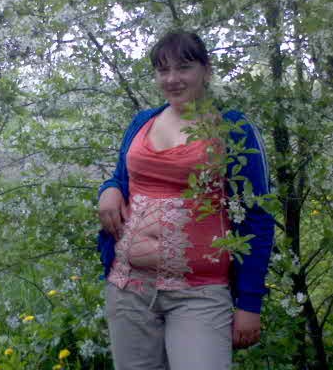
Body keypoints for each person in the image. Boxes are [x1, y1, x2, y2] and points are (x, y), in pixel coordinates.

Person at [97, 31, 274, 370]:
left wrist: (250, 303)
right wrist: (108, 189)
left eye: (184, 67)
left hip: (200, 293)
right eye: (163, 70)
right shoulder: (143, 122)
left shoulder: (232, 128)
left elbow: (257, 215)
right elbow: (121, 178)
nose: (172, 79)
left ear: (206, 70)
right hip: (129, 287)